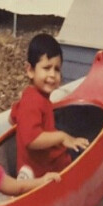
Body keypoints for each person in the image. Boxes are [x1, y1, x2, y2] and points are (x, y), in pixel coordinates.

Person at [10, 34, 90, 181]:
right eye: (46, 68)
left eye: (57, 69)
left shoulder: (32, 97)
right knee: (88, 152)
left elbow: (13, 117)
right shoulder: (33, 102)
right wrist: (61, 137)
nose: (53, 75)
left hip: (42, 165)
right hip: (46, 172)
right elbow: (32, 139)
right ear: (30, 70)